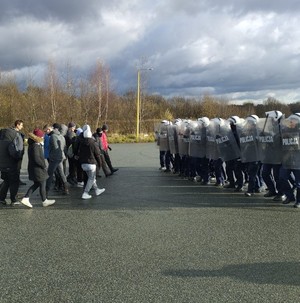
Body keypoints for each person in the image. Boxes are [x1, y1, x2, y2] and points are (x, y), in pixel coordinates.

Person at [20, 129, 55, 208]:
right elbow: (37, 158)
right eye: (42, 136)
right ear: (38, 137)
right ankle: (43, 200)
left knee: (37, 184)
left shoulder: (34, 144)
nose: (43, 137)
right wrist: (43, 165)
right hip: (37, 169)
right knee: (42, 183)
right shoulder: (35, 145)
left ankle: (28, 198)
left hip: (35, 168)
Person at [0, 120, 24, 205]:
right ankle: (13, 200)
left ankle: (1, 198)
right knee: (14, 182)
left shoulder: (2, 140)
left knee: (6, 181)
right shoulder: (10, 142)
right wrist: (19, 156)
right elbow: (13, 153)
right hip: (11, 165)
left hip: (2, 165)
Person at [78, 125, 105, 199]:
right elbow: (97, 154)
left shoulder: (82, 143)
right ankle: (85, 193)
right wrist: (100, 163)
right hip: (91, 163)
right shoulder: (93, 143)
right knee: (91, 178)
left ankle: (97, 190)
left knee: (91, 177)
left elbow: (79, 153)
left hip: (83, 164)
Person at [46, 123, 69, 196]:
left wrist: (51, 156)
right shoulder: (62, 136)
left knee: (49, 174)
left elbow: (54, 148)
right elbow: (64, 147)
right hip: (61, 157)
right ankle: (66, 189)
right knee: (61, 173)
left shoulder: (53, 136)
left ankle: (45, 192)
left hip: (54, 158)